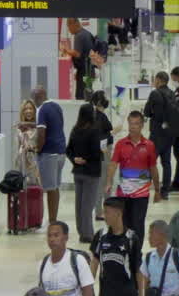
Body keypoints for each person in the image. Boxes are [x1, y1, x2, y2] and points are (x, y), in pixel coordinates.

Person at [104, 110, 160, 261]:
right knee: (124, 223)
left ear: (142, 125)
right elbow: (113, 164)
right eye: (130, 123)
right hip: (123, 193)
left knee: (138, 224)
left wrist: (158, 189)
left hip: (141, 194)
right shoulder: (121, 144)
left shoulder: (149, 145)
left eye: (136, 124)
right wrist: (108, 182)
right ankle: (125, 250)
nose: (132, 127)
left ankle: (137, 251)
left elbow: (153, 168)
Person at [66, 103, 105, 243]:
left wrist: (75, 159)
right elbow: (95, 152)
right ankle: (88, 234)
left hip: (78, 171)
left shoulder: (75, 130)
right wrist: (87, 159)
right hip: (91, 172)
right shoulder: (94, 130)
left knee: (79, 205)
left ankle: (82, 232)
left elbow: (68, 149)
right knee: (88, 206)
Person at [143, 71, 179, 200]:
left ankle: (146, 188)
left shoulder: (155, 93)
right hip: (169, 134)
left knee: (150, 162)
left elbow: (147, 112)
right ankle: (165, 191)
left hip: (156, 133)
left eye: (155, 80)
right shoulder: (172, 93)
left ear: (159, 80)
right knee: (166, 163)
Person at [32, 86, 66, 223]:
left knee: (50, 188)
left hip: (49, 153)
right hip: (60, 152)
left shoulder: (42, 110)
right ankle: (54, 218)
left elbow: (41, 134)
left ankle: (52, 221)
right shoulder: (56, 107)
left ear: (36, 97)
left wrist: (37, 150)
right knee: (55, 187)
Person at [61, 17, 96, 101]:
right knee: (88, 92)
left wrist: (66, 50)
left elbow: (77, 54)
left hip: (84, 72)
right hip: (90, 70)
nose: (69, 30)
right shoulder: (87, 33)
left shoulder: (79, 36)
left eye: (68, 27)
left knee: (81, 95)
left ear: (74, 24)